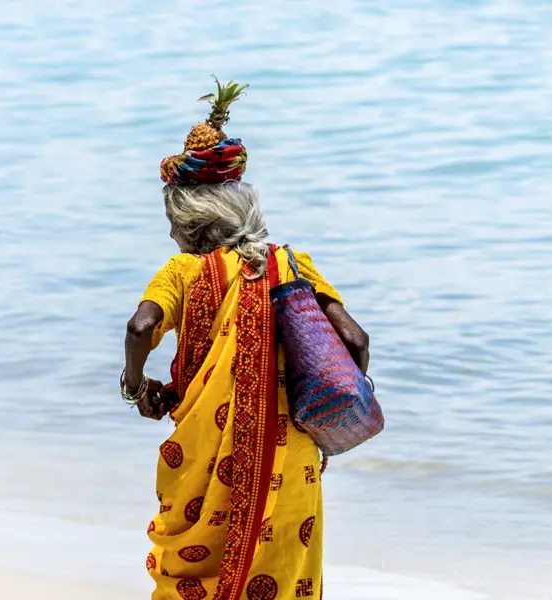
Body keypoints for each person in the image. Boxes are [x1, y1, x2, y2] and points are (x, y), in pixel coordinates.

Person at [121, 80, 369, 600]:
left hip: (208, 458)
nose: (169, 232)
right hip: (291, 454)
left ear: (189, 219)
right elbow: (355, 338)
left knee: (194, 574)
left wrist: (135, 385)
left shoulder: (184, 270)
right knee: (283, 574)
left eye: (172, 219)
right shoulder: (291, 265)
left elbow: (142, 327)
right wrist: (336, 408)